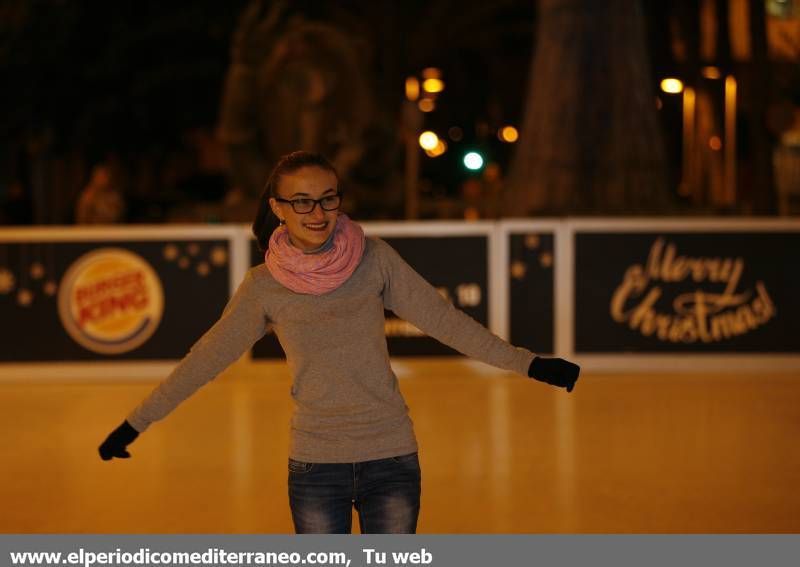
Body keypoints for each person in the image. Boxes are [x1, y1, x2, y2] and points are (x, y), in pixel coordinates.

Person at [98, 151, 580, 534]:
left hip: (390, 456)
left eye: (328, 198)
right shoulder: (263, 286)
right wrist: (134, 424)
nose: (318, 212)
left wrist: (532, 365)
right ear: (277, 208)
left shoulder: (374, 259)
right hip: (316, 465)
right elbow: (204, 360)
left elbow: (446, 322)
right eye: (302, 201)